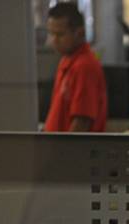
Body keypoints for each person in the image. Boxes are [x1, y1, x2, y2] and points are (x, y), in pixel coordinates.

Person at [45, 3, 107, 132]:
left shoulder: (84, 67)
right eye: (52, 34)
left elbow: (82, 121)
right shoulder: (66, 61)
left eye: (60, 35)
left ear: (79, 33)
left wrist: (66, 152)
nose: (54, 41)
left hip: (71, 151)